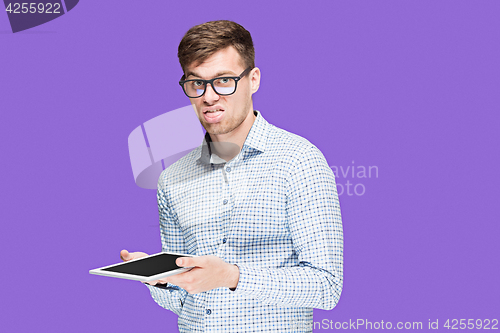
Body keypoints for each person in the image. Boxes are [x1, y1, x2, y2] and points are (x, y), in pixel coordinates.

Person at [120, 20, 343, 332]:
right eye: (196, 83)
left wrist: (232, 276)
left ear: (253, 80)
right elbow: (185, 301)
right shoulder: (171, 179)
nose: (209, 97)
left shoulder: (299, 161)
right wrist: (160, 281)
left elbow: (327, 285)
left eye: (224, 80)